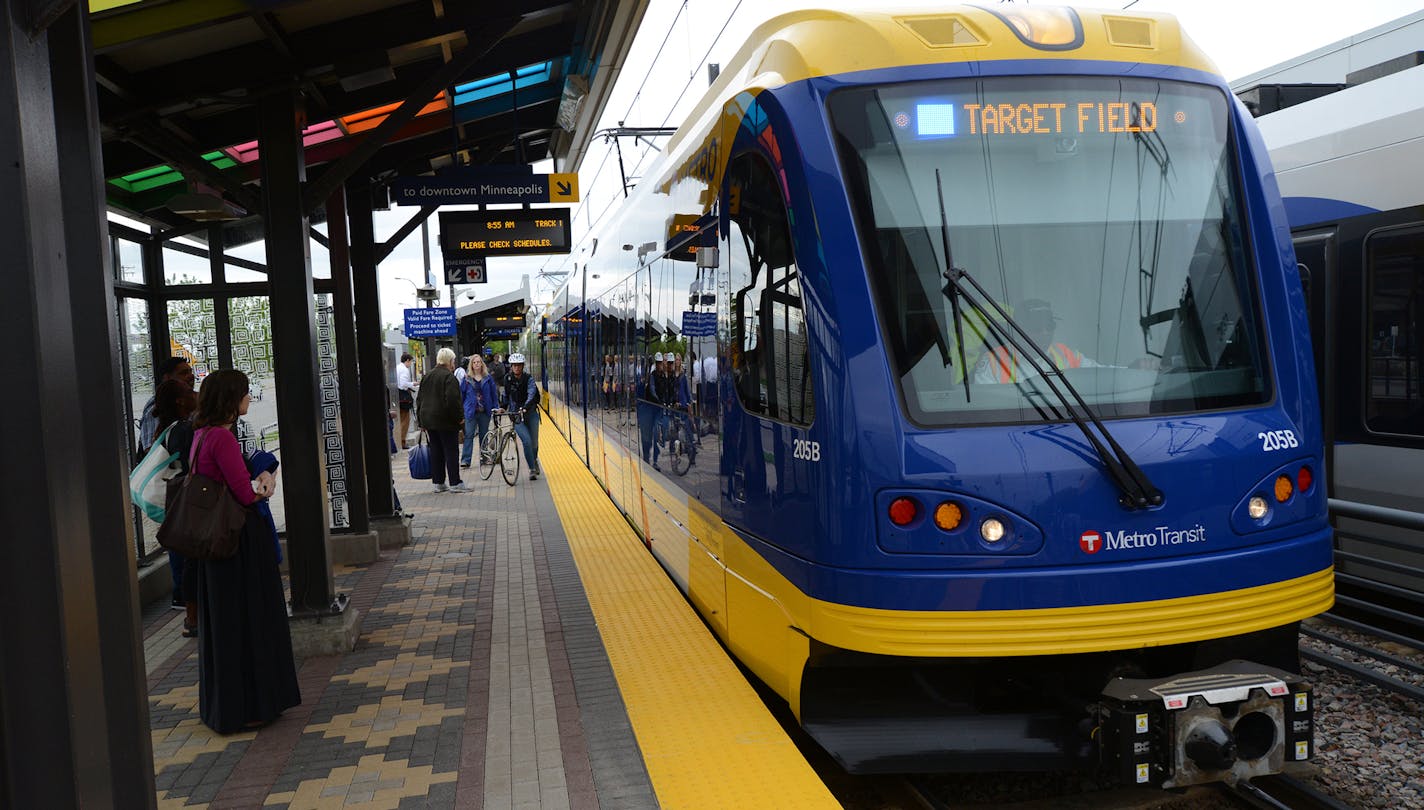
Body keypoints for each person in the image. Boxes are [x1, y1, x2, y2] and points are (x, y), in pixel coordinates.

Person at [187, 369, 300, 733]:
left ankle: (228, 706)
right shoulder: (221, 438)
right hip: (238, 545)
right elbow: (245, 492)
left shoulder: (200, 436)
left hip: (215, 547)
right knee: (250, 620)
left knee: (225, 625)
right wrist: (267, 482)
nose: (249, 399)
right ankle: (251, 705)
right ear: (231, 401)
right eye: (245, 394)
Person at [153, 379, 199, 625]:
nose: (195, 393)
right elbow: (194, 465)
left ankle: (183, 599)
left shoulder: (166, 428)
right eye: (190, 392)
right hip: (187, 498)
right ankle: (188, 605)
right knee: (190, 555)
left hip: (175, 498)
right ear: (181, 401)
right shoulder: (184, 429)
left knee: (182, 551)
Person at [972, 299, 1103, 384]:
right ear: (1018, 330)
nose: (1045, 333)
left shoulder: (1066, 354)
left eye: (1049, 326)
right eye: (1036, 328)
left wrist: (1124, 376)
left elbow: (1103, 374)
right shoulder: (993, 362)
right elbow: (986, 404)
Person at [417, 347, 469, 492]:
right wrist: (459, 418)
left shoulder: (427, 376)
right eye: (453, 360)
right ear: (449, 361)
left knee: (436, 451)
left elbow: (420, 399)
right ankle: (455, 483)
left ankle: (439, 483)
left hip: (429, 421)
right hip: (446, 421)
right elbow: (453, 401)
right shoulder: (449, 377)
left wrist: (421, 422)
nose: (454, 363)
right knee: (451, 451)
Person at [138, 356, 195, 452]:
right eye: (183, 373)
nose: (191, 376)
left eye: (190, 372)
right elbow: (151, 450)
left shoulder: (190, 401)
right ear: (167, 378)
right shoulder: (157, 405)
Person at [499, 353, 542, 480]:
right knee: (527, 441)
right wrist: (503, 407)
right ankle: (532, 469)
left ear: (523, 366)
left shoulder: (529, 379)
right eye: (514, 365)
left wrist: (525, 407)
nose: (516, 368)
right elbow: (506, 396)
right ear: (511, 366)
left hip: (531, 413)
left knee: (534, 443)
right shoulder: (507, 379)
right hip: (516, 415)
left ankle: (534, 460)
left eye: (519, 365)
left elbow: (532, 394)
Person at [460, 355, 498, 468]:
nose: (476, 364)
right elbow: (461, 395)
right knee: (469, 435)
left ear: (482, 364)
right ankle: (466, 460)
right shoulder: (466, 379)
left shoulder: (488, 378)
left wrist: (495, 407)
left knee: (484, 435)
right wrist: (461, 411)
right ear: (471, 365)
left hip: (484, 411)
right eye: (474, 362)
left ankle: (484, 458)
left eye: (478, 362)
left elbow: (493, 394)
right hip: (470, 412)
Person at [395, 352, 418, 449]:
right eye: (411, 361)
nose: (410, 364)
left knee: (399, 420)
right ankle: (402, 441)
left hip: (397, 396)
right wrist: (413, 384)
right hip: (403, 396)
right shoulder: (404, 370)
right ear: (407, 360)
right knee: (405, 420)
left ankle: (398, 441)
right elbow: (403, 384)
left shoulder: (397, 367)